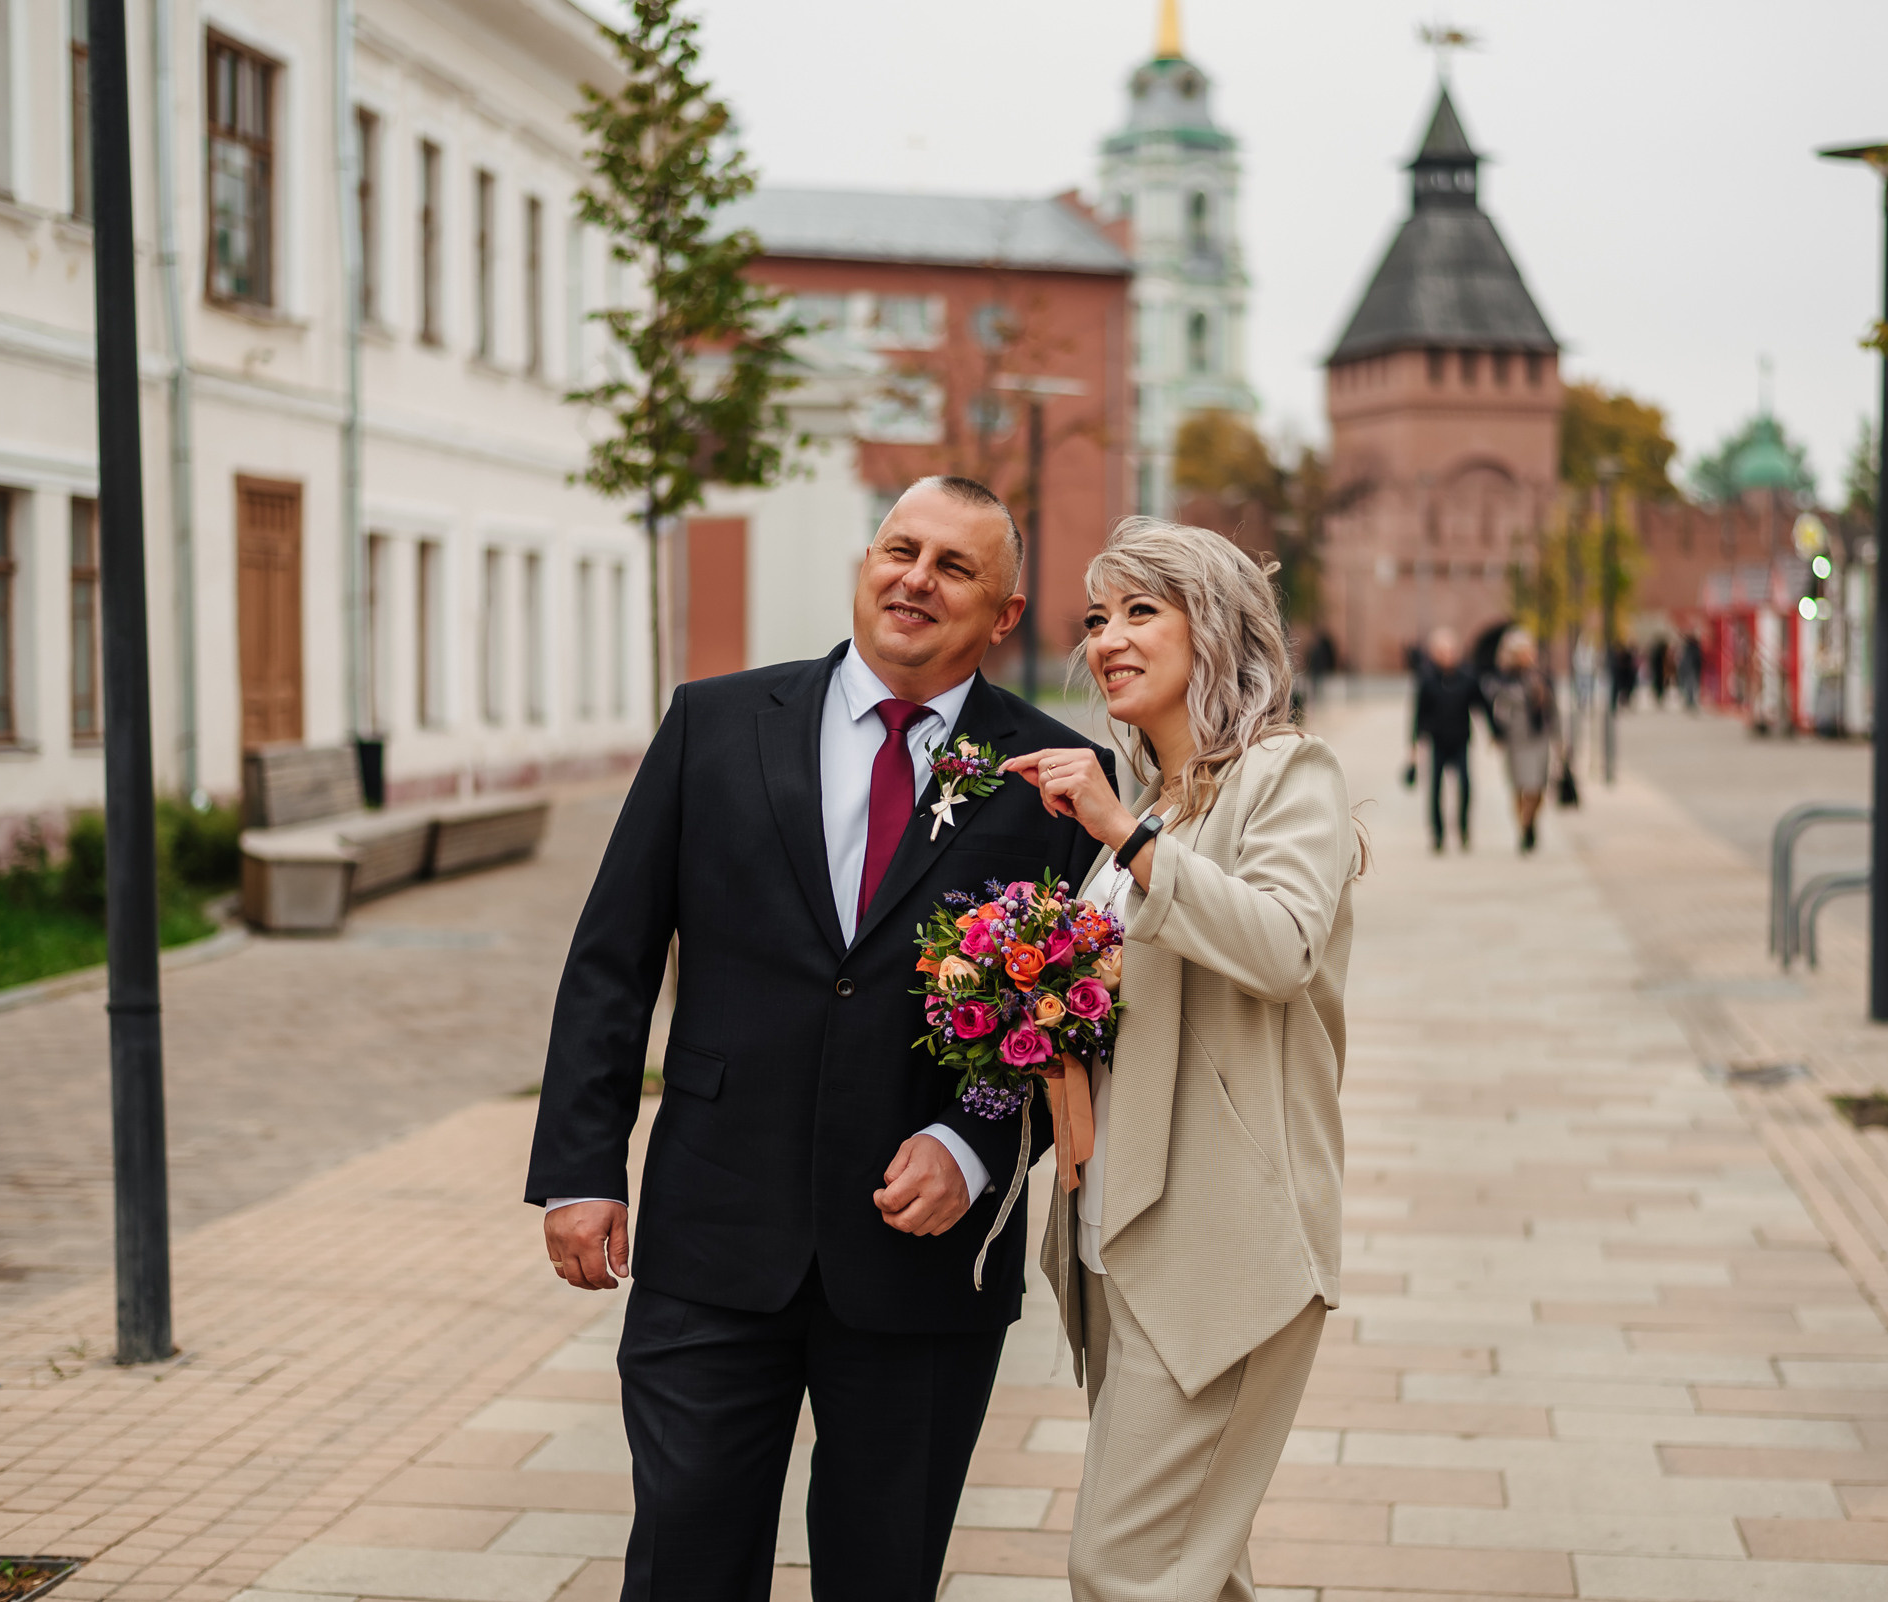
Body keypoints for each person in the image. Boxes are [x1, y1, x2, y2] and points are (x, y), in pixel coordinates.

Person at [526, 476, 1109, 1602]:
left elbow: (1073, 1022)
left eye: (954, 568)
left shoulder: (1055, 779)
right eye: (902, 548)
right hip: (713, 1231)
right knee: (686, 1557)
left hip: (920, 1262)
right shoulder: (715, 721)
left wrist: (975, 1144)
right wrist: (577, 1170)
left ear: (1002, 614)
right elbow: (613, 959)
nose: (915, 579)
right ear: (866, 562)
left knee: (883, 1576)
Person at [1001, 516, 1359, 1602]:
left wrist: (1126, 837)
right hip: (1118, 1231)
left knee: (1125, 1566)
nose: (1108, 638)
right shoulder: (1152, 801)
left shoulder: (1286, 775)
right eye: (1097, 617)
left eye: (1141, 610)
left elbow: (1282, 946)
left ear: (1216, 627)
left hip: (1222, 1242)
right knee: (1196, 1570)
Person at [1406, 624, 1485, 852]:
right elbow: (1418, 715)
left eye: (1451, 650)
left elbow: (1481, 705)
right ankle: (1438, 834)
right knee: (1435, 789)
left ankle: (1463, 828)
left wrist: (1494, 731)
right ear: (1434, 654)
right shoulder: (1428, 680)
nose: (1448, 656)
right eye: (1443, 651)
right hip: (1437, 741)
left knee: (1466, 786)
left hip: (1461, 740)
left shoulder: (1467, 678)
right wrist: (1413, 746)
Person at [1492, 629, 1560, 855]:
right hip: (1516, 739)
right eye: (1522, 652)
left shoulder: (1543, 676)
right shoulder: (1503, 678)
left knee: (1537, 786)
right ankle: (1523, 827)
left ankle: (1529, 821)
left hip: (1539, 738)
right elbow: (1497, 709)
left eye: (1529, 650)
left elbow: (1553, 710)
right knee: (1519, 786)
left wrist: (1559, 740)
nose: (1528, 655)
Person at [1677, 632, 1703, 713]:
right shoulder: (1693, 649)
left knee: (1689, 686)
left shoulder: (1689, 649)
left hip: (1689, 670)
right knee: (1689, 685)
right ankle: (1690, 701)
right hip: (1690, 670)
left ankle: (1690, 701)